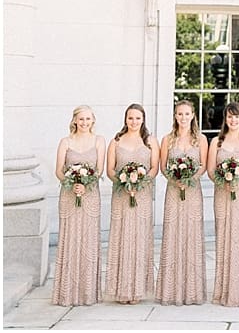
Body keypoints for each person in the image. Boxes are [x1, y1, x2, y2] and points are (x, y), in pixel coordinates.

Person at [105, 103, 158, 303]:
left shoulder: (150, 141)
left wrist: (141, 181)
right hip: (121, 195)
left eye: (137, 118)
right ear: (125, 119)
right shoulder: (116, 141)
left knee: (139, 239)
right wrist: (123, 182)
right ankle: (121, 290)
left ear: (143, 119)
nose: (134, 122)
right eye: (130, 118)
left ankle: (137, 290)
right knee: (121, 238)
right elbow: (110, 169)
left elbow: (154, 167)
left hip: (142, 195)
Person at [52, 106, 105, 306]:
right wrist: (72, 183)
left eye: (88, 119)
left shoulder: (99, 141)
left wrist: (86, 184)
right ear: (74, 120)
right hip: (68, 194)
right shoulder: (65, 142)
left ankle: (87, 293)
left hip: (90, 195)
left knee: (88, 241)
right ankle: (67, 293)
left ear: (93, 121)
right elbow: (59, 170)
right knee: (70, 239)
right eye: (81, 119)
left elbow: (99, 170)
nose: (84, 122)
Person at [208, 101, 239, 307]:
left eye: (236, 116)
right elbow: (211, 170)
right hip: (223, 194)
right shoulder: (216, 143)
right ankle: (224, 290)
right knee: (225, 238)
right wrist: (224, 182)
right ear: (225, 119)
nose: (233, 120)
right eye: (229, 116)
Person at [157, 99, 208, 305]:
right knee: (173, 234)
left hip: (193, 192)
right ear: (175, 116)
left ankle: (192, 291)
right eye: (180, 114)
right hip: (173, 191)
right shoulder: (167, 139)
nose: (183, 118)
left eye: (187, 114)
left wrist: (190, 179)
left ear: (193, 115)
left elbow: (203, 166)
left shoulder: (201, 139)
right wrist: (176, 180)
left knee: (191, 235)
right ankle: (171, 291)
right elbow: (162, 166)